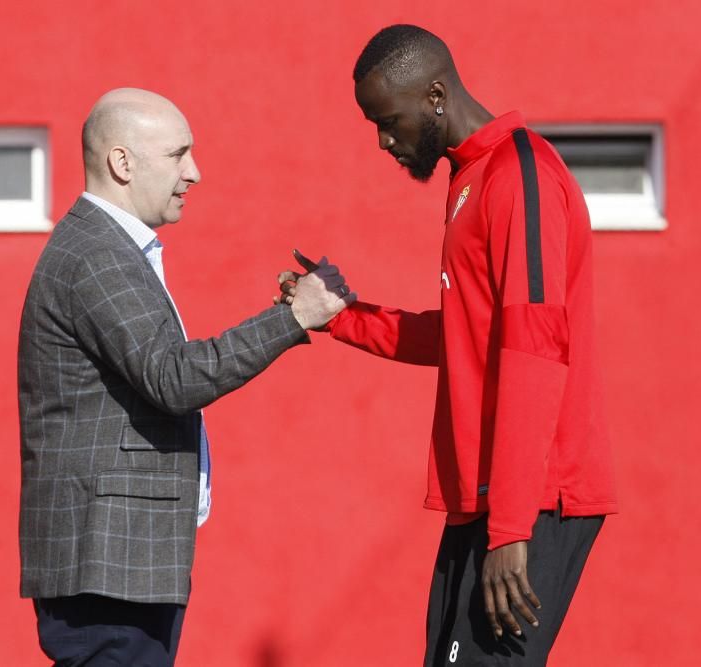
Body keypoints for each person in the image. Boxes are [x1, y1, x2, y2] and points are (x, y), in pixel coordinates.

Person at [278, 25, 618, 666]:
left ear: (435, 95)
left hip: (533, 497)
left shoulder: (521, 177)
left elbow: (535, 345)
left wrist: (512, 528)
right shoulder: (471, 179)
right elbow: (467, 335)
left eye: (389, 121)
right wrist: (343, 317)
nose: (384, 140)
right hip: (488, 497)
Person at [18, 87, 353, 667]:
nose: (194, 173)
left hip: (122, 560)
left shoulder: (105, 247)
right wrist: (294, 318)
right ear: (123, 163)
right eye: (178, 155)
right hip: (108, 564)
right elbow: (174, 378)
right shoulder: (97, 253)